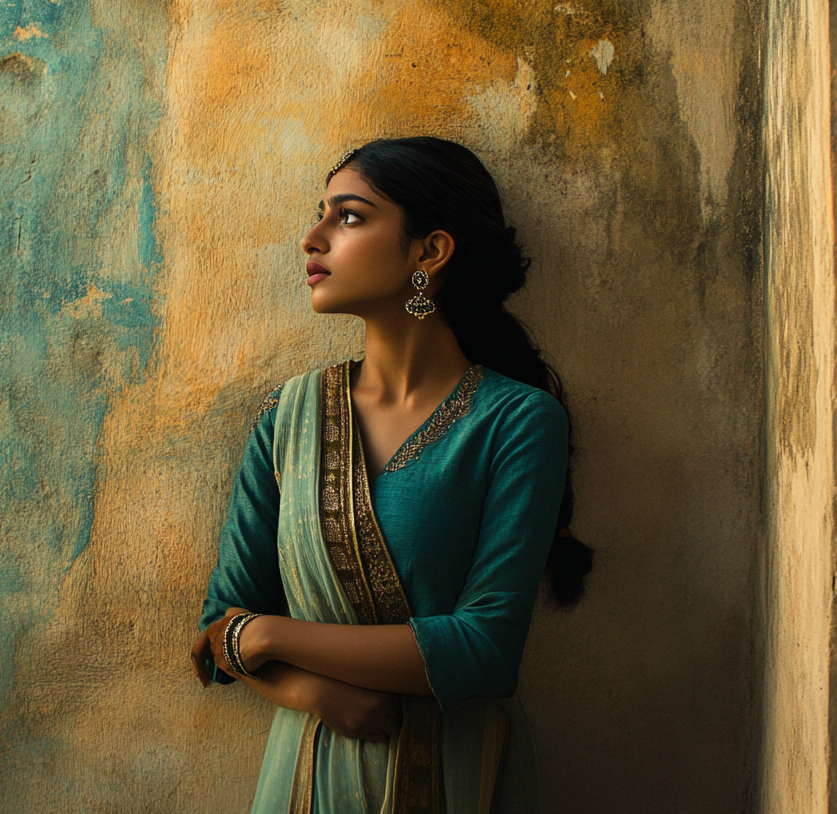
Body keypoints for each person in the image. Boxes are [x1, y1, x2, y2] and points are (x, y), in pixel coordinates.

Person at [190, 137, 593, 814]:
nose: (310, 239)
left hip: (458, 774)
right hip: (306, 774)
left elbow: (485, 648)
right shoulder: (287, 419)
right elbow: (215, 628)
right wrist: (316, 694)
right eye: (320, 214)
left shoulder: (517, 420)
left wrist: (267, 635)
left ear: (428, 253)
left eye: (348, 217)